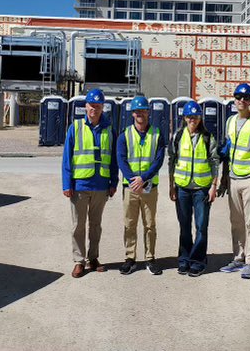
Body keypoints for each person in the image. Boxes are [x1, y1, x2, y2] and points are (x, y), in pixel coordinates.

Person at [62, 88, 118, 278]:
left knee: (96, 225)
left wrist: (113, 182)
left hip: (101, 187)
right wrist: (66, 184)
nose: (94, 109)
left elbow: (113, 159)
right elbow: (67, 159)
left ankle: (93, 258)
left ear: (103, 108)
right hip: (80, 186)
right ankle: (79, 261)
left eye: (98, 106)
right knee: (78, 225)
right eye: (91, 105)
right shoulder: (75, 128)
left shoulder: (110, 129)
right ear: (86, 106)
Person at [219, 83, 250, 279]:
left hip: (249, 179)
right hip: (233, 178)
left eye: (246, 98)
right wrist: (224, 177)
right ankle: (238, 258)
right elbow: (227, 152)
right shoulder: (230, 121)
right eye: (238, 97)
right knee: (236, 221)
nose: (241, 100)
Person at [168, 100, 219, 277]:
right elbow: (172, 162)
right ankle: (184, 258)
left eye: (196, 117)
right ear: (185, 117)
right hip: (182, 188)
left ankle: (198, 260)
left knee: (201, 226)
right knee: (184, 226)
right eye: (190, 116)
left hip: (201, 189)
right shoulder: (177, 136)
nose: (193, 120)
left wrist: (214, 186)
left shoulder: (207, 138)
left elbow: (214, 162)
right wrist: (171, 186)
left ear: (200, 118)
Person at [116, 95, 166, 275]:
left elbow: (159, 160)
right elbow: (121, 159)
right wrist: (132, 179)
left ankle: (150, 258)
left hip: (149, 187)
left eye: (143, 111)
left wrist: (143, 178)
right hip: (130, 188)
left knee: (150, 224)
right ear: (133, 114)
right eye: (137, 111)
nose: (140, 114)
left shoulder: (157, 134)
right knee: (129, 224)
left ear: (148, 113)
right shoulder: (125, 135)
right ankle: (130, 258)